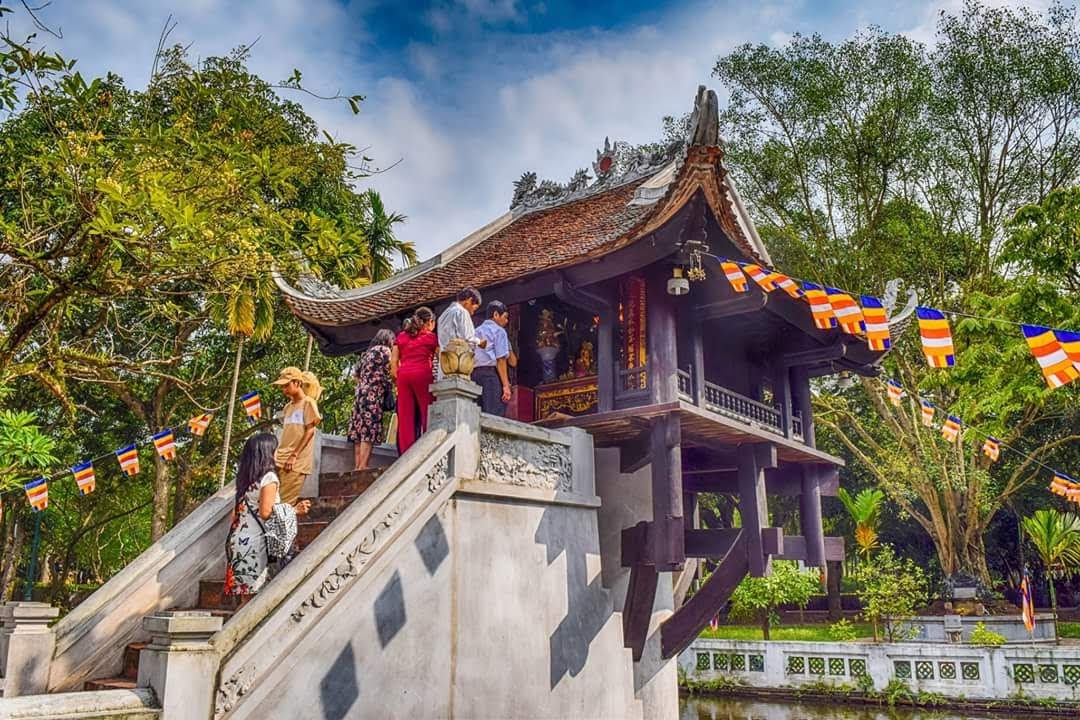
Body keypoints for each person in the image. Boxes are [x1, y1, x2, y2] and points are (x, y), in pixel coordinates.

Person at [224, 433, 310, 604]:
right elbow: (266, 512)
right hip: (255, 544)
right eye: (276, 449)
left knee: (244, 599)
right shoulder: (269, 478)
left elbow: (234, 515)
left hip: (237, 541)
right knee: (254, 600)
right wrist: (294, 510)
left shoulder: (245, 481)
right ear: (267, 452)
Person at [271, 367, 322, 506]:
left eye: (287, 385)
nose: (284, 390)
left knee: (284, 504)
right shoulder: (288, 407)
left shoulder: (308, 403)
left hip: (295, 463)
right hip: (280, 458)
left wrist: (294, 455)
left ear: (298, 383)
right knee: (271, 501)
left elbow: (310, 431)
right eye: (282, 387)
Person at [392, 307, 438, 454]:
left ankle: (406, 453)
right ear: (429, 322)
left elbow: (393, 363)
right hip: (422, 374)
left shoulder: (401, 337)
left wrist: (397, 379)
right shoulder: (430, 337)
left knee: (405, 417)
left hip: (403, 375)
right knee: (427, 412)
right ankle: (427, 448)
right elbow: (444, 358)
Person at [347, 329, 394, 470]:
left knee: (358, 429)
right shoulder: (385, 351)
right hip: (373, 394)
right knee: (368, 429)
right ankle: (363, 465)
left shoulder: (366, 353)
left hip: (360, 393)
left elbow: (356, 375)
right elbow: (390, 371)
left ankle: (357, 466)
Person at [472, 301, 512, 416]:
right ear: (496, 315)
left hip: (474, 376)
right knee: (494, 415)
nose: (506, 321)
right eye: (505, 317)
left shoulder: (476, 331)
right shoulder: (499, 331)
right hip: (490, 376)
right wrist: (505, 386)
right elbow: (501, 360)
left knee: (477, 414)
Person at [436, 287, 487, 357]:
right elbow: (466, 339)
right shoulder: (462, 312)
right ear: (469, 300)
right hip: (459, 360)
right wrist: (479, 342)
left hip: (445, 361)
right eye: (474, 309)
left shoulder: (444, 315)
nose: (472, 313)